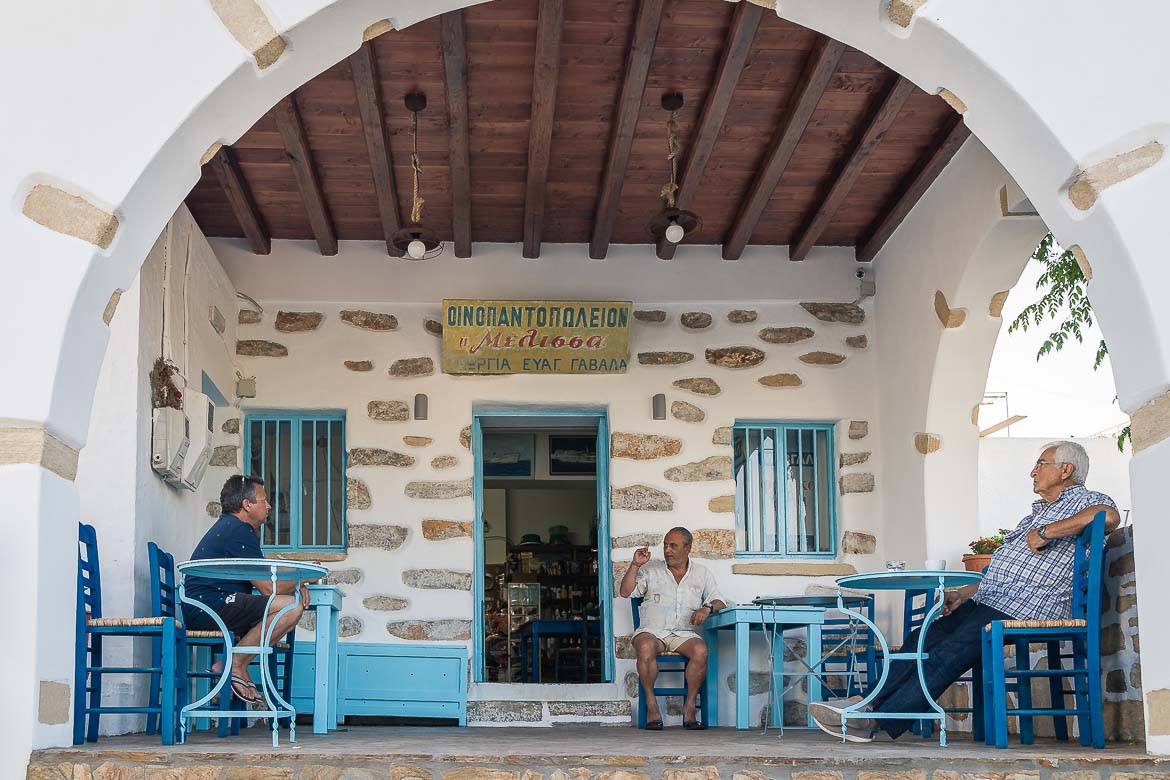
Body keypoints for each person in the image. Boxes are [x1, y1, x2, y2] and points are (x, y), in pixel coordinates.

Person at [810, 440, 1120, 742]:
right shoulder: (1034, 514)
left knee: (951, 650)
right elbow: (998, 572)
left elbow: (1109, 517)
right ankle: (864, 701)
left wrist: (1046, 532)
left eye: (1041, 464)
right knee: (922, 638)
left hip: (1028, 605)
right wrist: (964, 593)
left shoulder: (1086, 500)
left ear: (1066, 470)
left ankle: (874, 720)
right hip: (994, 600)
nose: (1033, 472)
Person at [182, 475, 312, 705]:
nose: (269, 505)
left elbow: (265, 579)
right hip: (209, 607)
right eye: (264, 500)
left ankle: (231, 671)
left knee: (286, 605)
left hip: (208, 605)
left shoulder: (233, 528)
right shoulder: (238, 530)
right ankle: (234, 664)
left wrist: (297, 581)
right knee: (291, 607)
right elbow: (267, 588)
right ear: (246, 504)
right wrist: (302, 580)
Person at [619, 526, 727, 730]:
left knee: (701, 650)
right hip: (652, 631)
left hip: (683, 634)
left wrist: (707, 607)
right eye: (665, 545)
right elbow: (625, 592)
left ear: (688, 548)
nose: (667, 550)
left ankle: (689, 708)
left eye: (673, 545)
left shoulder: (701, 573)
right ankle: (652, 706)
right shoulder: (651, 571)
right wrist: (635, 565)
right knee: (645, 647)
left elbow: (719, 600)